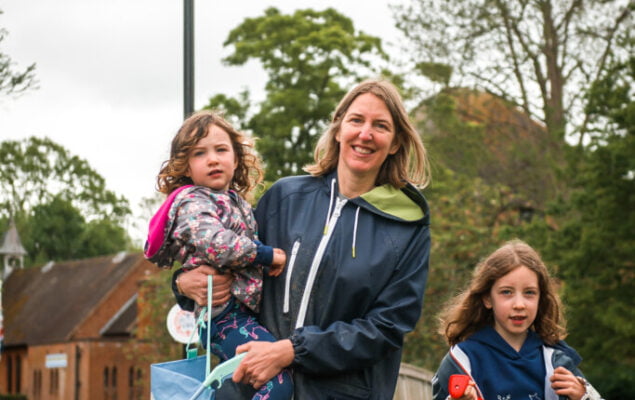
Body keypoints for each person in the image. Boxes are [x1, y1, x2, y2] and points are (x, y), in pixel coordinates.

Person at [173, 79, 432, 399]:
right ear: (338, 129)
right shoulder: (286, 197)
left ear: (394, 143)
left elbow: (387, 328)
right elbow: (230, 259)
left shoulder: (407, 228)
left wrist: (291, 351)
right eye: (356, 120)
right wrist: (185, 284)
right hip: (252, 389)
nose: (365, 134)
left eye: (380, 126)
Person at [144, 110, 293, 399]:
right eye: (200, 153)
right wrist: (267, 256)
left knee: (248, 384)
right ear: (186, 166)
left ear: (236, 159)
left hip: (244, 314)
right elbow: (217, 244)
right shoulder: (193, 202)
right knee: (276, 380)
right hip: (225, 316)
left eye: (221, 150)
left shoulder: (237, 202)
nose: (212, 159)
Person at [432, 239, 603, 400]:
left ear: (540, 299)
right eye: (506, 292)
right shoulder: (462, 359)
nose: (519, 304)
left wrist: (583, 395)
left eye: (529, 292)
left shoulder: (555, 361)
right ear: (487, 298)